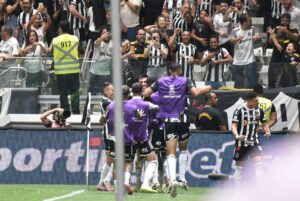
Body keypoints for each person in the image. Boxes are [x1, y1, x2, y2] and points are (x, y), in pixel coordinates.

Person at [144, 63, 212, 197]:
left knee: (170, 153)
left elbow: (146, 93)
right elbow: (196, 92)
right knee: (183, 150)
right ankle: (182, 178)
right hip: (182, 120)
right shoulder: (185, 80)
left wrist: (161, 93)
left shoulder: (160, 81)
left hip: (168, 122)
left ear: (169, 71)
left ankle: (173, 180)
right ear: (180, 70)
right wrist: (208, 87)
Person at [232, 92, 271, 189]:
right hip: (241, 143)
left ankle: (261, 193)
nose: (258, 102)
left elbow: (265, 124)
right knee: (239, 169)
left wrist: (267, 132)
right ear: (249, 101)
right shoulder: (239, 110)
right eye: (256, 101)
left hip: (254, 142)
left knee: (259, 166)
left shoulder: (259, 110)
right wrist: (237, 136)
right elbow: (233, 126)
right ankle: (238, 194)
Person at [107, 85, 139, 194]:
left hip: (114, 138)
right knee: (127, 163)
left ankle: (118, 187)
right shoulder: (133, 107)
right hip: (127, 138)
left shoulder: (111, 106)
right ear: (129, 95)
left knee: (116, 164)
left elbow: (104, 120)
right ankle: (126, 182)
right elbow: (137, 123)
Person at [128, 82, 159, 193]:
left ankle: (125, 183)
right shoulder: (146, 104)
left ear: (132, 91)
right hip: (142, 137)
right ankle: (145, 184)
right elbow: (157, 108)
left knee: (127, 162)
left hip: (129, 137)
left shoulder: (126, 103)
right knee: (152, 161)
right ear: (142, 91)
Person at [50, 21, 80, 114]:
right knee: (75, 93)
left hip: (60, 72)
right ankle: (76, 112)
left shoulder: (55, 40)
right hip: (74, 70)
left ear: (60, 28)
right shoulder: (75, 38)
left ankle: (65, 113)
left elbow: (50, 51)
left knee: (63, 94)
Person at [267, 13, 299, 88]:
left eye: (286, 21)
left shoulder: (293, 28)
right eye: (282, 20)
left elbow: (296, 38)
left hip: (287, 57)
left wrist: (286, 31)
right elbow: (270, 41)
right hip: (276, 56)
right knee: (272, 77)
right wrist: (278, 34)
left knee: (288, 78)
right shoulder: (276, 28)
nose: (284, 22)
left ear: (289, 21)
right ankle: (272, 92)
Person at [230, 14, 260, 88]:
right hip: (237, 61)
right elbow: (231, 41)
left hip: (250, 61)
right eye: (249, 21)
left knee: (253, 84)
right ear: (244, 23)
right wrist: (237, 38)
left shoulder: (252, 28)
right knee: (237, 85)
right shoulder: (236, 30)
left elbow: (257, 36)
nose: (251, 22)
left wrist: (256, 37)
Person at [97, 82, 114, 192]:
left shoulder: (109, 101)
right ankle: (104, 181)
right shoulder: (105, 102)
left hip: (111, 132)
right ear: (105, 91)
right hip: (110, 133)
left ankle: (101, 183)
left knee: (111, 159)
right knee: (113, 158)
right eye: (111, 90)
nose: (113, 92)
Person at [88, 26, 113, 95]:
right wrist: (102, 37)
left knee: (104, 91)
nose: (106, 35)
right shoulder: (99, 41)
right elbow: (96, 44)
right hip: (94, 70)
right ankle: (89, 105)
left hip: (106, 72)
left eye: (107, 33)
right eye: (103, 33)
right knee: (90, 91)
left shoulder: (113, 43)